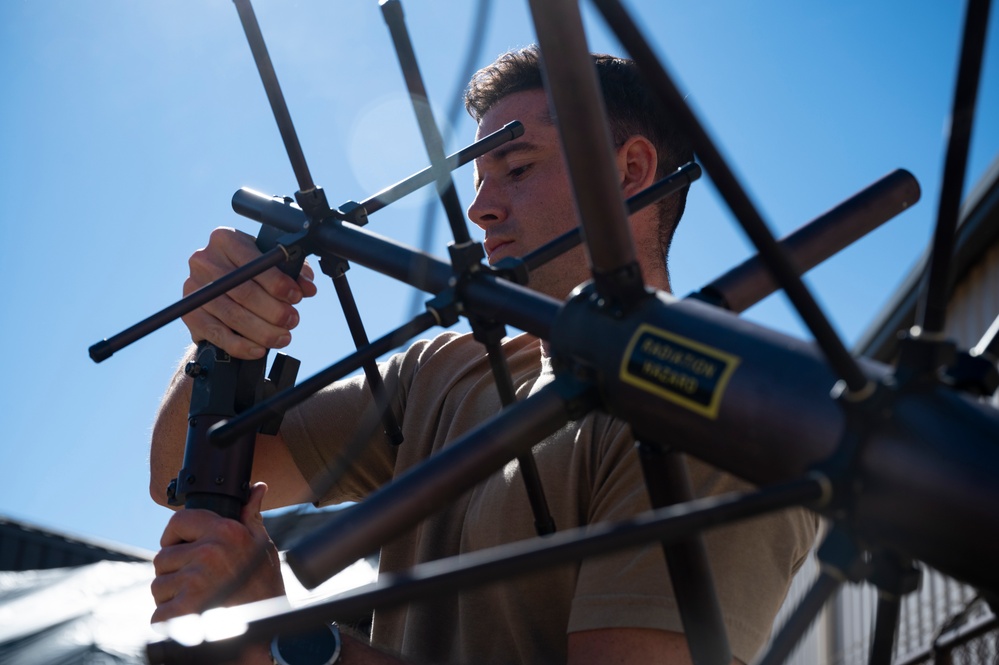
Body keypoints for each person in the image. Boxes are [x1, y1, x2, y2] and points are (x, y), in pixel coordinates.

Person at [148, 46, 817, 665]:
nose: (479, 210)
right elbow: (174, 474)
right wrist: (219, 330)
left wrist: (289, 638)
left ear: (629, 172)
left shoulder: (720, 420)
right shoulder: (443, 368)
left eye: (516, 167)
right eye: (475, 178)